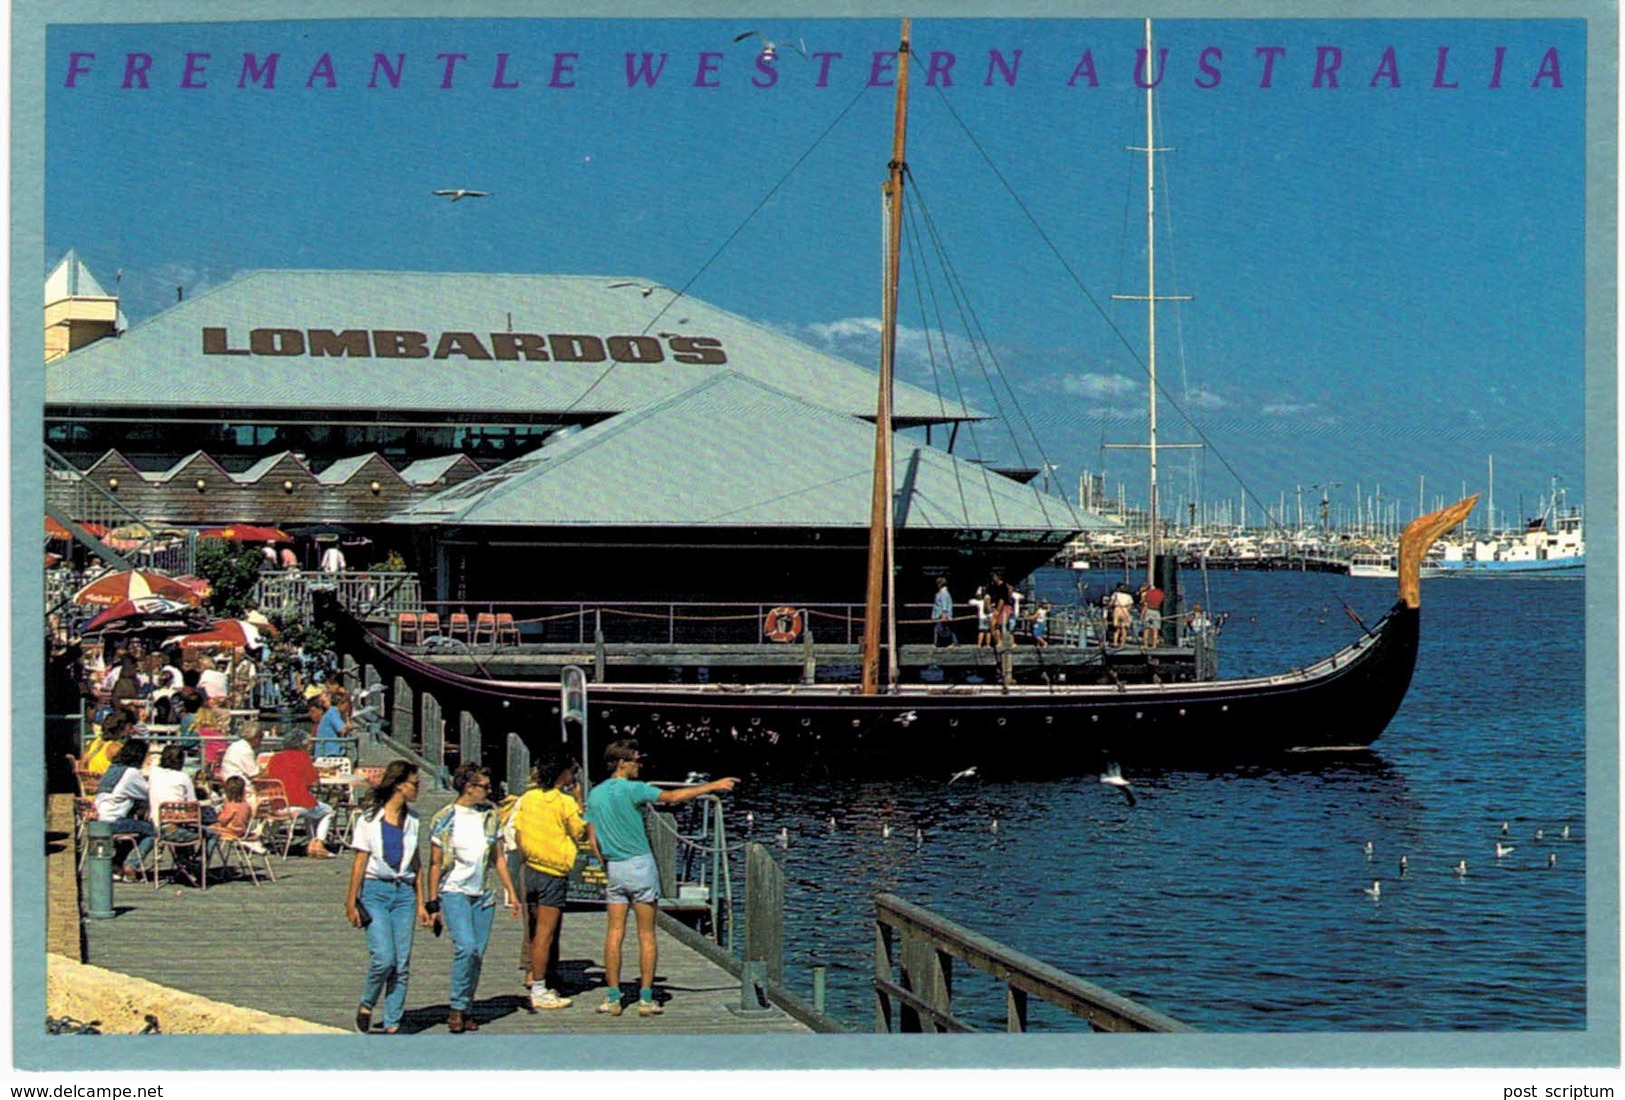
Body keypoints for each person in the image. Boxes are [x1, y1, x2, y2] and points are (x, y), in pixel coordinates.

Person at [584, 740, 738, 1017]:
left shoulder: (594, 794)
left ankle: (613, 997)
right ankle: (645, 998)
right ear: (622, 763)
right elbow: (673, 798)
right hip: (640, 866)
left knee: (614, 933)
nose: (639, 765)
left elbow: (592, 838)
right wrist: (711, 785)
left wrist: (605, 862)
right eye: (635, 760)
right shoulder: (635, 789)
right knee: (646, 934)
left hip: (614, 867)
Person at [426, 763, 522, 1032]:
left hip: (483, 893)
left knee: (477, 953)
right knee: (465, 947)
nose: (489, 791)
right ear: (469, 787)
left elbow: (498, 858)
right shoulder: (444, 818)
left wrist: (511, 892)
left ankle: (467, 1006)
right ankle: (456, 1007)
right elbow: (435, 863)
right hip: (454, 890)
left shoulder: (490, 815)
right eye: (484, 786)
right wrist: (432, 903)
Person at [344, 760, 429, 1035]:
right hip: (375, 889)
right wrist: (351, 901)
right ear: (400, 786)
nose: (418, 789)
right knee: (384, 957)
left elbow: (417, 863)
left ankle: (393, 1021)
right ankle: (367, 1003)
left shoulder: (413, 820)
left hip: (403, 891)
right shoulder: (369, 819)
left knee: (402, 962)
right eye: (414, 784)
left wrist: (422, 903)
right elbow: (360, 861)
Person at [510, 747, 588, 1011]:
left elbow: (519, 832)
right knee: (545, 933)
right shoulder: (564, 802)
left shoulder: (529, 798)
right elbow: (580, 832)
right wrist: (578, 802)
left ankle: (533, 976)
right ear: (563, 774)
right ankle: (540, 988)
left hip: (529, 867)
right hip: (553, 873)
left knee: (533, 930)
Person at [264, 728, 337, 858]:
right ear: (301, 744)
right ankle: (319, 843)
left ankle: (311, 842)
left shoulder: (275, 758)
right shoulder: (303, 758)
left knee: (312, 812)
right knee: (328, 811)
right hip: (298, 802)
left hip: (278, 803)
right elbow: (314, 782)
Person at [93, 738, 154, 882]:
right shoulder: (132, 773)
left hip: (99, 819)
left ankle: (116, 864)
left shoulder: (113, 768)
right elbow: (148, 793)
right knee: (153, 831)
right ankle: (131, 866)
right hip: (113, 821)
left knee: (134, 828)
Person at [218, 721, 264, 788]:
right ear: (255, 737)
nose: (260, 743)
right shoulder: (245, 750)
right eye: (260, 739)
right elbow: (255, 775)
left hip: (229, 780)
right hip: (239, 786)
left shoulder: (236, 745)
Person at [314, 690, 351, 759]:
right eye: (347, 705)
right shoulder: (332, 713)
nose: (347, 708)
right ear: (341, 704)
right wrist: (350, 726)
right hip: (328, 752)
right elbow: (342, 730)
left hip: (328, 751)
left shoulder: (331, 713)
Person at [986, 571, 1014, 646]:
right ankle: (997, 641)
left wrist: (998, 610)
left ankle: (1000, 641)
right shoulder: (994, 586)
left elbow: (1002, 599)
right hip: (997, 607)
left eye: (994, 576)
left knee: (997, 624)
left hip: (1003, 608)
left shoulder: (1003, 586)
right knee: (994, 625)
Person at [931, 577, 956, 648]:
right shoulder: (941, 593)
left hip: (941, 614)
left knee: (945, 628)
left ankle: (951, 642)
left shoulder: (944, 593)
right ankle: (940, 642)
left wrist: (944, 614)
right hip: (938, 614)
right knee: (941, 628)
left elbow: (944, 604)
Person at [1141, 582, 1166, 648]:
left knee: (1146, 628)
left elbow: (1144, 603)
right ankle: (1154, 645)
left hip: (1149, 610)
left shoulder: (1147, 593)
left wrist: (1142, 615)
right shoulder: (1161, 593)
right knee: (1155, 629)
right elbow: (1162, 600)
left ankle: (1145, 644)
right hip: (1156, 611)